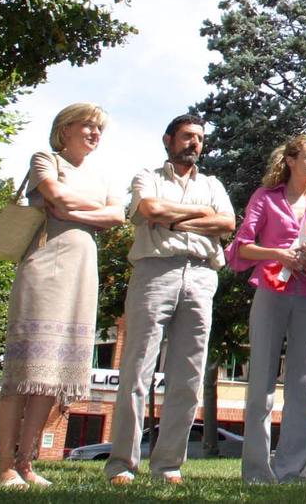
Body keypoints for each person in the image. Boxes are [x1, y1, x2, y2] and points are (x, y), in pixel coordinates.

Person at [0, 102, 127, 487]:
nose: (94, 134)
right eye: (87, 126)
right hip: (44, 268)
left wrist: (75, 209)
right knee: (24, 373)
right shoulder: (45, 159)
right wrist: (91, 211)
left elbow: (118, 216)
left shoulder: (101, 176)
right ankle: (5, 465)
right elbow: (57, 198)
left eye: (98, 129)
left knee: (51, 377)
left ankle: (26, 463)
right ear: (65, 128)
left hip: (81, 276)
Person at [106, 115, 235, 486]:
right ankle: (122, 466)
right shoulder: (148, 178)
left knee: (188, 375)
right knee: (137, 371)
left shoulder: (212, 184)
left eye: (199, 139)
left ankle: (168, 466)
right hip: (154, 272)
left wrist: (175, 221)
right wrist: (200, 215)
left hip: (201, 275)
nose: (193, 144)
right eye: (186, 137)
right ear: (168, 140)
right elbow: (150, 211)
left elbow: (226, 224)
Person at [225, 134, 306, 484]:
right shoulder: (266, 198)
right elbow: (242, 248)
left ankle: (292, 470)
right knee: (260, 381)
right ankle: (257, 471)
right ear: (289, 160)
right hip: (271, 292)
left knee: (302, 383)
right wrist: (279, 254)